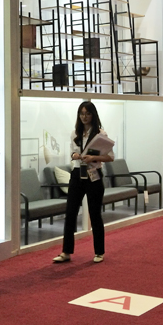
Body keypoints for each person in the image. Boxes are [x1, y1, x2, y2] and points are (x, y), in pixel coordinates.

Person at [53, 101, 114, 265]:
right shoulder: (75, 133)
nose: (84, 117)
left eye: (87, 113)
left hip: (94, 174)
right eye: (81, 113)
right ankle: (66, 251)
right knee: (70, 213)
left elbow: (110, 157)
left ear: (93, 115)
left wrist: (93, 157)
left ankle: (99, 251)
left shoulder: (100, 134)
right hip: (77, 174)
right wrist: (74, 155)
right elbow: (73, 152)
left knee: (95, 214)